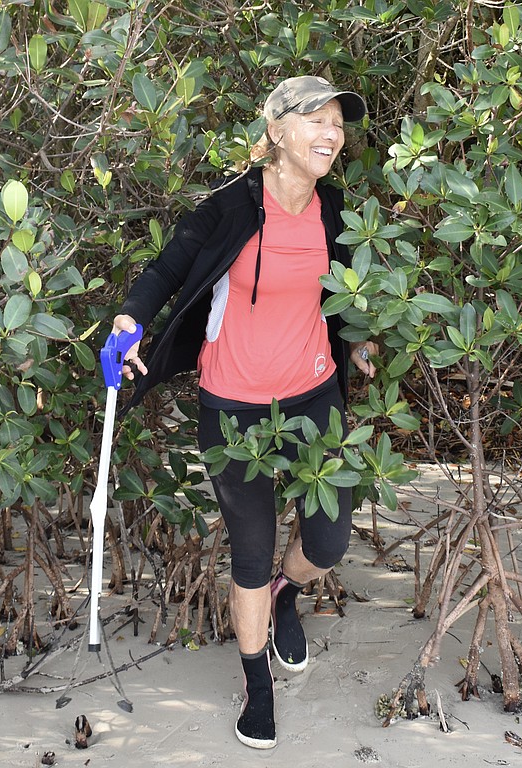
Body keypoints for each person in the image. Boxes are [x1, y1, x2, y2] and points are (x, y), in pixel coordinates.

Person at [112, 75, 377, 750]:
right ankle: (257, 687)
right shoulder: (229, 207)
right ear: (278, 131)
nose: (331, 134)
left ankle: (291, 594)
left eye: (339, 125)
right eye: (317, 120)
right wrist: (130, 320)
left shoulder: (335, 209)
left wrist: (362, 340)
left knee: (327, 542)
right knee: (251, 554)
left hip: (314, 399)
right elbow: (166, 271)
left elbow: (344, 287)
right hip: (234, 407)